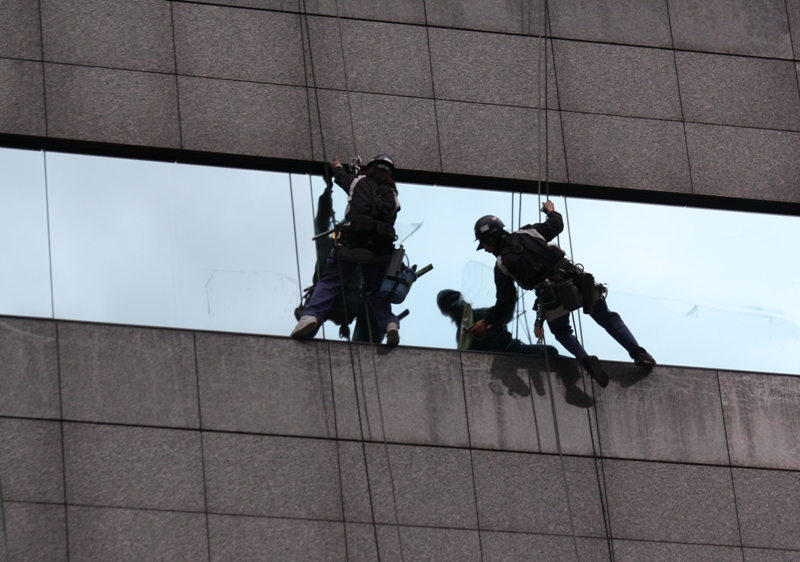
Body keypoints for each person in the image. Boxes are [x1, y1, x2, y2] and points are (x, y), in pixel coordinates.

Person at [469, 200, 655, 387]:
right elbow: (556, 226)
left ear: (491, 239)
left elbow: (505, 302)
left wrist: (487, 321)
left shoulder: (501, 266)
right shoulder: (527, 232)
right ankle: (639, 353)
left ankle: (585, 361)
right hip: (575, 279)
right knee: (607, 318)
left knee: (561, 331)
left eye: (484, 245)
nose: (485, 250)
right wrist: (551, 211)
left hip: (551, 297)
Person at [291, 154, 401, 345]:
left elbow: (341, 177)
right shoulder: (393, 196)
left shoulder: (359, 181)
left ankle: (310, 316)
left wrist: (336, 167)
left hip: (351, 245)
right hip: (378, 251)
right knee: (375, 292)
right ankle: (390, 323)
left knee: (329, 283)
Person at [294, 180, 383, 343]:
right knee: (368, 303)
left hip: (341, 300)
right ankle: (306, 327)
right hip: (330, 299)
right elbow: (322, 220)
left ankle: (366, 341)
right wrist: (327, 194)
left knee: (369, 303)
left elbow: (322, 222)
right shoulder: (329, 244)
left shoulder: (352, 249)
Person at [436, 289, 558, 356]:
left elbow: (503, 316)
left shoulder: (479, 315)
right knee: (551, 352)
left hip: (510, 351)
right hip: (508, 354)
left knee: (550, 352)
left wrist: (510, 301)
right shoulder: (464, 333)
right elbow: (504, 317)